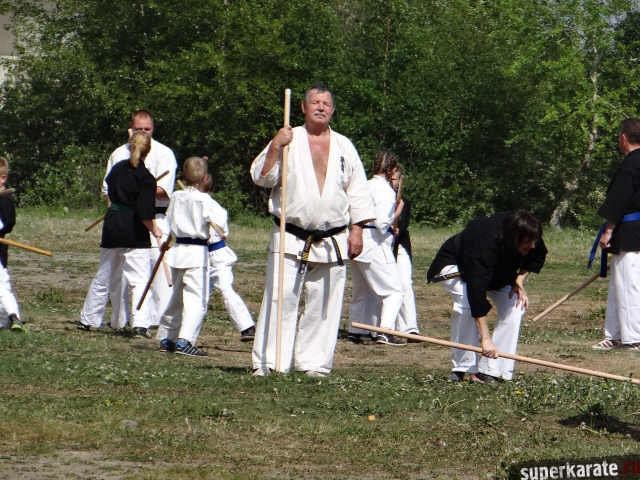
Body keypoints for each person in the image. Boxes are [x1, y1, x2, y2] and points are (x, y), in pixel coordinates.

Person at [250, 83, 375, 377]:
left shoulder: (344, 146)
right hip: (290, 234)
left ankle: (314, 363)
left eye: (326, 103)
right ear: (303, 107)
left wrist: (357, 230)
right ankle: (271, 362)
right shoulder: (288, 139)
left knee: (324, 304)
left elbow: (358, 191)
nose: (321, 107)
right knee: (280, 298)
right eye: (315, 102)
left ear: (332, 110)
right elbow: (262, 178)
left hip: (332, 237)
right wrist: (275, 145)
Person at [79, 110, 177, 330]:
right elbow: (138, 206)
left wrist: (122, 205)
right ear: (131, 131)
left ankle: (88, 320)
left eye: (147, 128)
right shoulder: (141, 174)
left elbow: (159, 193)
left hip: (119, 222)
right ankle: (136, 323)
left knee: (107, 274)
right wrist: (153, 228)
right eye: (139, 129)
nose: (143, 132)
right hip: (136, 224)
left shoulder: (124, 168)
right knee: (136, 278)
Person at [426, 210, 547, 383]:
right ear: (514, 238)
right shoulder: (486, 245)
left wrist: (519, 281)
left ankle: (491, 370)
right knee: (466, 304)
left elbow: (537, 254)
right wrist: (486, 339)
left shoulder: (529, 232)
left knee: (515, 305)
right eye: (528, 242)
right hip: (456, 264)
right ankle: (461, 367)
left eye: (534, 240)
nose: (532, 245)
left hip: (498, 271)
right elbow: (476, 293)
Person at [156, 157, 220, 357]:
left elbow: (169, 221)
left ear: (183, 176)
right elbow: (221, 226)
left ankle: (168, 338)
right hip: (196, 255)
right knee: (196, 299)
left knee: (177, 297)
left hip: (179, 252)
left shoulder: (175, 197)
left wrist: (167, 240)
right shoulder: (205, 200)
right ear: (205, 178)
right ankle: (185, 341)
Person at [347, 152, 405, 346]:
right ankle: (385, 332)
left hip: (357, 241)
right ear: (393, 170)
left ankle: (356, 331)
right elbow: (381, 223)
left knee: (362, 291)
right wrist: (397, 212)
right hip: (373, 243)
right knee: (395, 291)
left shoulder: (365, 185)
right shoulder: (385, 191)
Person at [592, 118, 640, 353]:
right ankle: (615, 335)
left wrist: (608, 231)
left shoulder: (629, 165)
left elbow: (619, 200)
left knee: (629, 285)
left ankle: (635, 338)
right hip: (635, 231)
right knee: (619, 284)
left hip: (629, 233)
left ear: (623, 137)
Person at [200, 175, 255, 342]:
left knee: (225, 288)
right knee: (195, 294)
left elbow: (219, 231)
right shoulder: (189, 202)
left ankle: (247, 327)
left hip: (217, 255)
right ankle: (178, 334)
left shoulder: (216, 209)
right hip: (198, 255)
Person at [391, 164, 420, 338]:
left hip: (399, 246)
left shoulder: (403, 202)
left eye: (394, 179)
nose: (391, 182)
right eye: (388, 178)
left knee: (405, 283)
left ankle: (408, 327)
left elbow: (401, 227)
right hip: (379, 246)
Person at [0, 157, 23, 332]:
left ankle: (13, 317)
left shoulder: (5, 200)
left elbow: (8, 223)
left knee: (1, 284)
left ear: (3, 178)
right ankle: (8, 319)